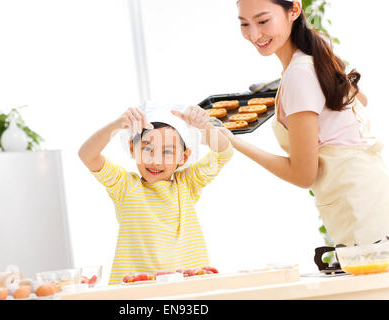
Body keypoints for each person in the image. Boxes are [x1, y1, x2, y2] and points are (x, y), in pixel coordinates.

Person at [220, 0, 389, 247]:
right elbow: (360, 98)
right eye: (244, 24)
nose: (254, 34)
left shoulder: (299, 74)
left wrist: (233, 142)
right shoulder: (310, 59)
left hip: (358, 205)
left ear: (294, 10)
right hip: (368, 190)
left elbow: (302, 175)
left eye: (263, 21)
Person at [78, 103, 233, 284]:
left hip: (190, 289)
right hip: (137, 294)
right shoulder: (124, 186)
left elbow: (224, 153)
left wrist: (205, 126)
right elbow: (87, 155)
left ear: (183, 157)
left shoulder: (187, 183)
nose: (156, 160)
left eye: (167, 151)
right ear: (132, 148)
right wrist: (116, 125)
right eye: (147, 148)